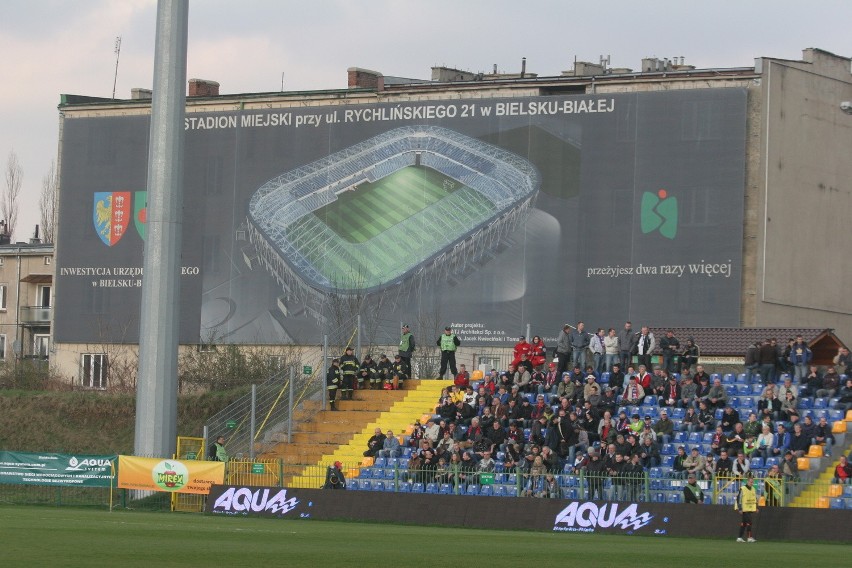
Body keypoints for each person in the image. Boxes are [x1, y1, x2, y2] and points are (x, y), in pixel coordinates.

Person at [734, 473, 759, 542]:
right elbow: (739, 499)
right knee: (749, 522)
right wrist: (740, 508)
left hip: (750, 508)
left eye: (752, 482)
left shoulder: (753, 489)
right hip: (744, 509)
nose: (752, 483)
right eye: (750, 482)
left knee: (744, 523)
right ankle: (749, 537)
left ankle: (739, 537)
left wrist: (756, 507)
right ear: (747, 482)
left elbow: (755, 499)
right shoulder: (742, 489)